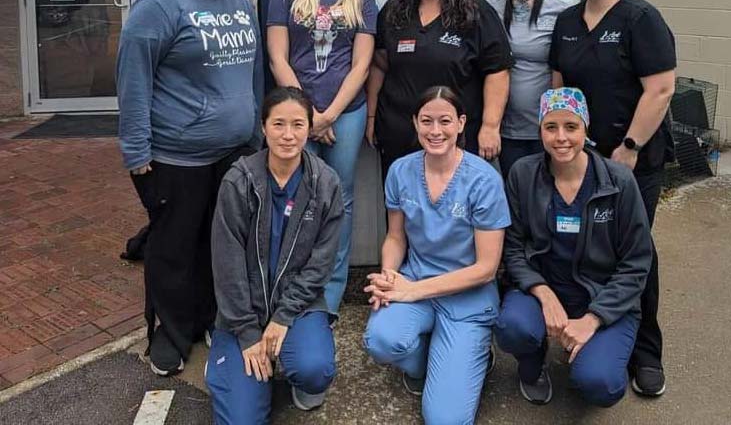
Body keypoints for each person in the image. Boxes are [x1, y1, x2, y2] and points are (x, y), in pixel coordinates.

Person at [116, 0, 264, 376]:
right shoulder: (159, 5)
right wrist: (137, 152)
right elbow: (133, 80)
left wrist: (254, 128)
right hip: (177, 156)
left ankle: (208, 319)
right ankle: (171, 334)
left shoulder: (238, 2)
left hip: (234, 153)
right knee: (174, 247)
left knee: (219, 244)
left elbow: (251, 72)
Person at [549, 0, 676, 397]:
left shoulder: (640, 18)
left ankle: (646, 352)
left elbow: (660, 88)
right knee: (582, 245)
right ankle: (594, 332)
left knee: (634, 251)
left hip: (632, 159)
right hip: (579, 157)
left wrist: (629, 147)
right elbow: (559, 85)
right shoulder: (566, 21)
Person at [495, 88, 652, 408]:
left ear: (586, 128)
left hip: (601, 294)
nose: (561, 137)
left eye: (571, 126)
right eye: (550, 127)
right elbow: (512, 249)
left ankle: (601, 348)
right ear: (539, 131)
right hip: (545, 287)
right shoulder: (523, 174)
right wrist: (543, 292)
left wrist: (593, 318)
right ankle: (533, 365)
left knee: (600, 384)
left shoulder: (618, 181)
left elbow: (636, 262)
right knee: (513, 327)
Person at [363, 86, 511, 425]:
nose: (435, 131)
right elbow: (396, 237)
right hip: (416, 279)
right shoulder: (401, 170)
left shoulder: (483, 180)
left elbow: (486, 269)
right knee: (381, 340)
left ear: (461, 123)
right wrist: (389, 276)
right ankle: (433, 363)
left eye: (445, 121)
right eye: (426, 121)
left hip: (467, 298)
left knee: (444, 419)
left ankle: (469, 356)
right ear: (415, 123)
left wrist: (411, 291)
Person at [207, 86, 344, 423]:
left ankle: (293, 366)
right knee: (241, 420)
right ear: (263, 127)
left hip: (299, 306)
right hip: (244, 311)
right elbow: (227, 263)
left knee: (315, 369)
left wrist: (283, 317)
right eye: (278, 124)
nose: (288, 135)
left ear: (310, 128)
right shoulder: (238, 182)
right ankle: (231, 364)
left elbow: (321, 264)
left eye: (298, 125)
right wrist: (247, 332)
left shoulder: (325, 183)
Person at [266, 0, 377, 314]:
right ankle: (296, 289)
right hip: (298, 116)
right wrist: (308, 115)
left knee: (340, 199)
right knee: (298, 197)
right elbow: (277, 55)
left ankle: (330, 293)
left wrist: (329, 115)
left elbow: (361, 65)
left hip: (345, 114)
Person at [367, 0, 513, 181]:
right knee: (401, 208)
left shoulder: (475, 12)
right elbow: (379, 65)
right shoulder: (393, 11)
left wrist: (491, 127)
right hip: (398, 133)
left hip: (456, 138)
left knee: (455, 210)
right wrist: (371, 118)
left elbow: (497, 71)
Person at [487, 0, 570, 180]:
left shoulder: (564, 11)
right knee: (514, 201)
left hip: (548, 130)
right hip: (505, 131)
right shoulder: (488, 8)